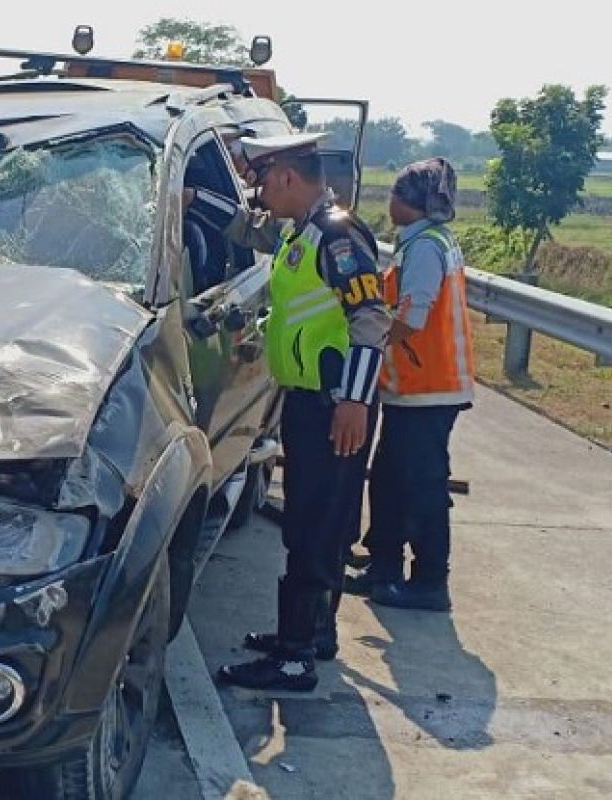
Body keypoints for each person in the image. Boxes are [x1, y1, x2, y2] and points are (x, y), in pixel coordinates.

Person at [191, 133, 391, 691]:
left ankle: (295, 658)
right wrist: (194, 200)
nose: (259, 192)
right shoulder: (302, 231)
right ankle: (313, 635)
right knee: (318, 521)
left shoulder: (337, 236)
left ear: (285, 176)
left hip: (334, 406)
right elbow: (246, 227)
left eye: (262, 181)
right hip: (312, 401)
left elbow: (371, 318)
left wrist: (353, 400)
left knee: (311, 525)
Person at [358, 157, 475, 612]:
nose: (388, 202)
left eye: (393, 194)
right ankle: (383, 564)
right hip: (414, 387)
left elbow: (413, 316)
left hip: (429, 387)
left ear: (410, 203)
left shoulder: (425, 246)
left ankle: (429, 581)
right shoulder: (423, 241)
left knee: (422, 485)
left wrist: (373, 341)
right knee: (388, 478)